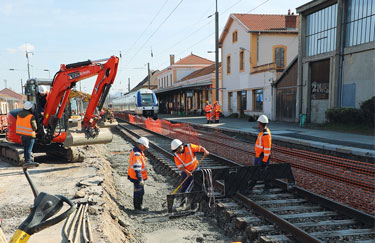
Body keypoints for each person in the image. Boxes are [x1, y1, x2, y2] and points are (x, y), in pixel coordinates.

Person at [249, 115, 272, 192]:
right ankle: (265, 187)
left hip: (262, 157)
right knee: (260, 171)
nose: (258, 124)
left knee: (258, 171)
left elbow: (267, 149)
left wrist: (264, 160)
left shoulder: (265, 134)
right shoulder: (263, 132)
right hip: (259, 156)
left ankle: (251, 186)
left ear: (260, 123)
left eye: (258, 123)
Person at [127, 137, 149, 211]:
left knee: (139, 192)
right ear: (141, 145)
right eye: (145, 147)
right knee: (139, 192)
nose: (145, 148)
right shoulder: (137, 154)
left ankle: (139, 207)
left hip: (136, 176)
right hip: (137, 177)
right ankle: (137, 209)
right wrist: (140, 179)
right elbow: (137, 168)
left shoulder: (138, 151)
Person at [16, 101, 38, 166]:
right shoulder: (31, 116)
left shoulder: (18, 115)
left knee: (25, 148)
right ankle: (28, 162)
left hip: (22, 135)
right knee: (29, 149)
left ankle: (26, 161)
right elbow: (34, 127)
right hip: (30, 135)